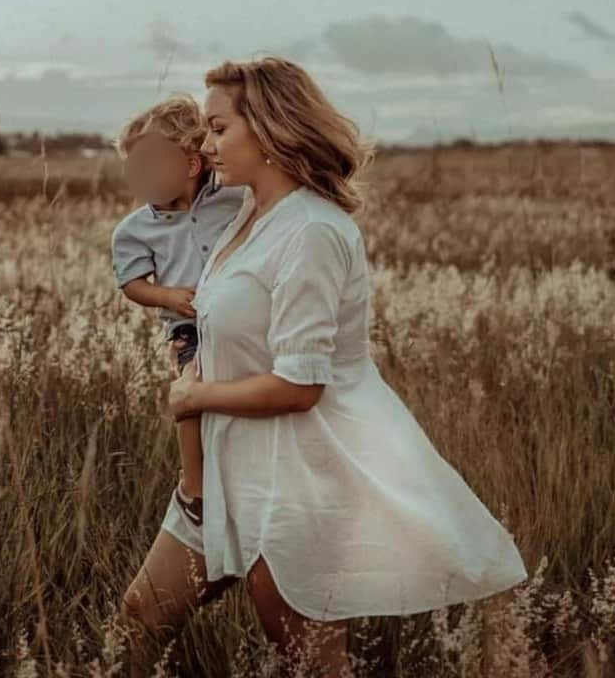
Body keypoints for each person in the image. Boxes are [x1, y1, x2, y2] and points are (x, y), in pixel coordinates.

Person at [119, 57, 529, 676]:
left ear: (271, 129)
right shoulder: (245, 217)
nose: (205, 145)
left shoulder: (310, 230)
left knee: (309, 659)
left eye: (219, 129)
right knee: (145, 614)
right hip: (222, 465)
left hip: (292, 472)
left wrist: (193, 399)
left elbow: (301, 385)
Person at [110, 93, 247, 528]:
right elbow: (133, 284)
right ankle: (196, 486)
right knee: (189, 397)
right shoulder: (135, 230)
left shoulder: (235, 199)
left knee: (248, 397)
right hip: (189, 328)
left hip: (242, 322)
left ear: (190, 165)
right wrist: (168, 297)